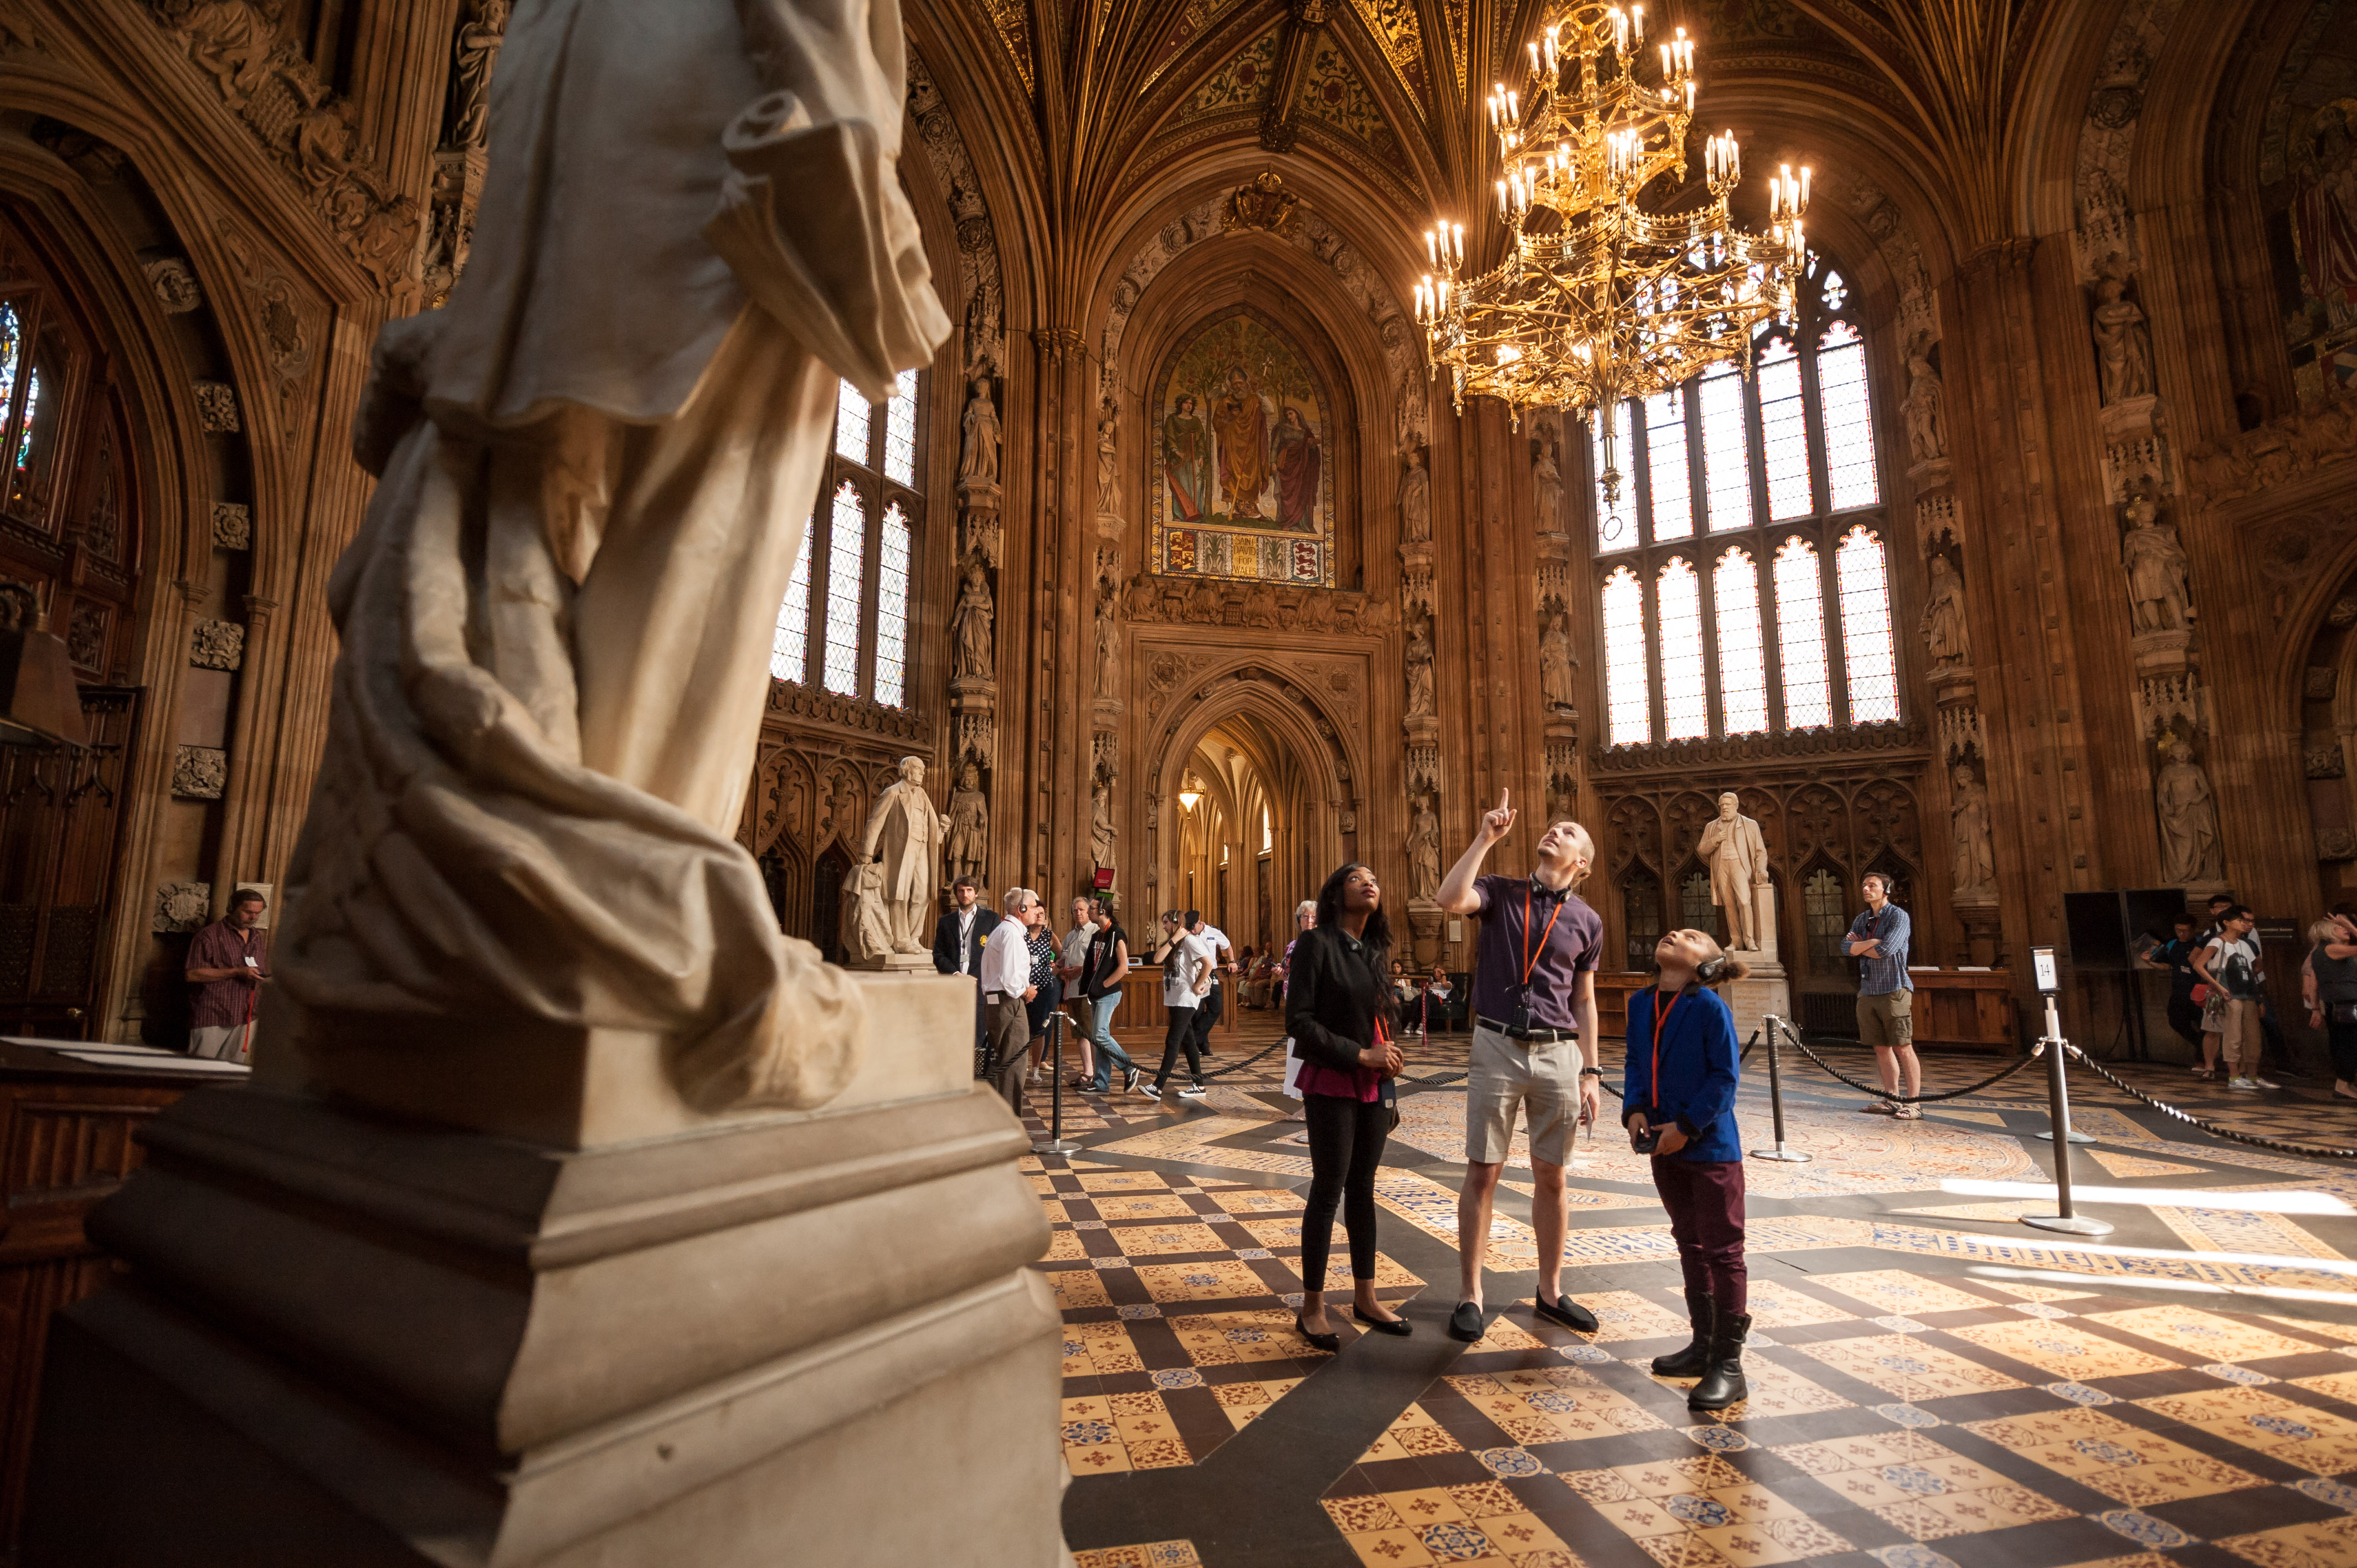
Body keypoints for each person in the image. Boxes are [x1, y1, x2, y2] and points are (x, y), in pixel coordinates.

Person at [1435, 788, 1605, 1344]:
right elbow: (1447, 898)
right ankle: (1470, 1294)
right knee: (1482, 1170)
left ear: (1580, 864)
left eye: (1569, 832)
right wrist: (1486, 838)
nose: (1555, 831)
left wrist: (1590, 1072)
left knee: (1550, 1176)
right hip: (1496, 1044)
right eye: (1553, 826)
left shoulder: (1586, 920)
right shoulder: (1501, 892)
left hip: (1558, 1051)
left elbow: (1583, 999)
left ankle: (1551, 1290)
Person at [1623, 926, 1752, 1411]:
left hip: (1710, 1146)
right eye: (1674, 932)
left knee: (1723, 1252)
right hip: (1663, 1142)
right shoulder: (1641, 1004)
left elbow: (1725, 1079)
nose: (1674, 933)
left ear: (1707, 964)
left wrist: (1687, 1125)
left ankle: (1729, 1365)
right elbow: (1637, 1061)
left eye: (1692, 936)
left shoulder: (1710, 1007)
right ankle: (1702, 1344)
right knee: (1688, 1242)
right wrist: (1634, 1108)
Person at [1285, 863, 1411, 1350]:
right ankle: (1312, 1307)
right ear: (1336, 893)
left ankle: (1366, 1296)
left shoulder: (1375, 950)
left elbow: (1376, 1020)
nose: (1370, 881)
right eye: (1357, 877)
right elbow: (1298, 1020)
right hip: (1334, 1080)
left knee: (1363, 1188)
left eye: (1375, 877)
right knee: (1328, 1188)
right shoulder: (1317, 945)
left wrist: (1387, 1062)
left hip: (1375, 1086)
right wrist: (1358, 1054)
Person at [1845, 873, 1919, 1120]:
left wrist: (1863, 946)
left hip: (1894, 988)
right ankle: (1892, 1098)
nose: (1866, 889)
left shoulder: (1898, 916)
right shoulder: (1862, 919)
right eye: (1864, 885)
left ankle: (1914, 1103)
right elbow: (1846, 949)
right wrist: (1872, 942)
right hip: (1868, 990)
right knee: (1881, 1047)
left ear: (1886, 889)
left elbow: (1888, 950)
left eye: (1872, 885)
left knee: (1902, 1046)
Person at [185, 889, 270, 1061]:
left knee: (231, 1074)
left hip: (247, 1014)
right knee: (201, 1069)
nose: (253, 918)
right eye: (248, 912)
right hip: (213, 1014)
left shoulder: (257, 937)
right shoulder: (209, 935)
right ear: (232, 908)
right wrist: (236, 972)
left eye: (257, 913)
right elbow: (192, 974)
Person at [2194, 905, 2272, 1090]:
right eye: (2240, 920)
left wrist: (2257, 995)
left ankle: (2252, 1075)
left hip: (2247, 992)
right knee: (2233, 1034)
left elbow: (2254, 968)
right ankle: (2234, 1076)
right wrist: (2218, 986)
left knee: (2253, 1035)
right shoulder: (2217, 942)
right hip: (2229, 993)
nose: (2244, 924)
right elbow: (2198, 964)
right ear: (2227, 923)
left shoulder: (2245, 944)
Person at [977, 889, 1038, 1113]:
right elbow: (1011, 980)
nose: (1036, 912)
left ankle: (996, 1115)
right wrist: (1027, 992)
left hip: (995, 1001)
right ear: (1021, 909)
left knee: (1000, 1060)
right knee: (1014, 1062)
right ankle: (1010, 1119)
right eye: (1032, 907)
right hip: (1008, 1002)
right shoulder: (1012, 934)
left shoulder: (1001, 930)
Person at [1143, 910, 1210, 1102]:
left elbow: (1208, 963)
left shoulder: (1190, 941)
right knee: (1188, 1041)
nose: (1163, 926)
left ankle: (1157, 1087)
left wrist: (1198, 984)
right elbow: (1156, 959)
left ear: (1175, 922)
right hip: (1174, 997)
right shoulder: (1174, 942)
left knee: (1173, 1041)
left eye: (1166, 923)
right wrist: (1174, 938)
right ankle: (1199, 1085)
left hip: (1186, 997)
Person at [1080, 900, 1144, 1094]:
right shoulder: (1097, 935)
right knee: (1099, 1037)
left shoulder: (1117, 933)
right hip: (1097, 993)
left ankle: (1128, 1067)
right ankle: (1101, 1082)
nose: (1088, 912)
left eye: (1090, 908)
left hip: (1109, 993)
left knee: (1100, 1034)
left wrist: (1104, 985)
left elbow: (1124, 967)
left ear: (1101, 911)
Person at [2303, 907, 2357, 1101]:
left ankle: (2345, 1084)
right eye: (2339, 927)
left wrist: (2316, 1009)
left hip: (2338, 1004)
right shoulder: (2331, 949)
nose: (2345, 929)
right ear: (2327, 931)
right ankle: (2343, 1086)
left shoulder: (2322, 951)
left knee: (2344, 1044)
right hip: (2346, 1003)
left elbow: (2315, 983)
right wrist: (2350, 925)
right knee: (2348, 1045)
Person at [2146, 914, 2206, 1060]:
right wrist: (2149, 962)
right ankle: (2201, 1046)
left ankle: (2202, 1060)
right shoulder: (2172, 944)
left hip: (2200, 991)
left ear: (2193, 930)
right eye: (2178, 930)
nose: (2181, 934)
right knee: (2176, 1022)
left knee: (2204, 1025)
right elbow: (2166, 966)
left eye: (2185, 931)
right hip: (2179, 992)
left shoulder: (2201, 944)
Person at [1058, 896, 1100, 1086]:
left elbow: (1099, 962)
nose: (1078, 913)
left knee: (1091, 1032)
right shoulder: (1069, 936)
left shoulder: (1096, 931)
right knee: (1079, 1033)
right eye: (1075, 910)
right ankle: (1088, 1071)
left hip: (1087, 991)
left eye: (1082, 910)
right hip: (1072, 991)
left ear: (1089, 912)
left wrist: (1080, 970)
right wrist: (1060, 968)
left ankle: (1097, 1073)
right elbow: (1063, 959)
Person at [1024, 898, 1064, 1084]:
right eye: (1037, 913)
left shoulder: (1049, 935)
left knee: (1039, 1028)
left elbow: (1062, 954)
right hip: (1024, 987)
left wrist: (1054, 971)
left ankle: (1035, 1068)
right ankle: (1021, 1064)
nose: (1040, 916)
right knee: (1023, 1027)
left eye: (1043, 914)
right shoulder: (1022, 933)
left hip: (1044, 988)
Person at [1185, 910, 1233, 1058]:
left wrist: (1232, 961)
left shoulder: (1213, 931)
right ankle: (1203, 1046)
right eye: (1190, 929)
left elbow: (1227, 945)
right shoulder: (1188, 935)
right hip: (1195, 973)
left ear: (1200, 923)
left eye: (1194, 927)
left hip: (1211, 974)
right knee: (1197, 1011)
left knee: (1216, 1006)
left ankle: (1193, 1041)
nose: (1192, 931)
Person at [933, 874, 998, 978]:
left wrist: (978, 976)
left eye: (969, 890)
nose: (965, 895)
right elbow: (938, 954)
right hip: (953, 981)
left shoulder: (991, 919)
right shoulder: (945, 921)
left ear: (976, 893)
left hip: (981, 982)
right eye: (961, 891)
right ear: (956, 893)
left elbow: (996, 953)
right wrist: (955, 974)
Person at [1425, 962, 1455, 1034]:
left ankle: (1422, 1024)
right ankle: (1411, 1023)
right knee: (1416, 1000)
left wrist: (1444, 975)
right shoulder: (1432, 983)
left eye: (1439, 972)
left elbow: (1444, 984)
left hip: (1439, 999)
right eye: (1435, 972)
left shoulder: (1449, 984)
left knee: (1428, 998)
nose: (1436, 974)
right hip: (1429, 997)